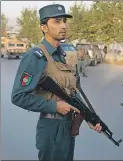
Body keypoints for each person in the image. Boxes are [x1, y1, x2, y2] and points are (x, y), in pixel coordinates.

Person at [11, 4, 102, 161]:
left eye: (65, 21)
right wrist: (55, 106)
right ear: (44, 27)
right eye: (57, 21)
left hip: (68, 126)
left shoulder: (61, 55)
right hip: (51, 128)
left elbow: (72, 93)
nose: (64, 26)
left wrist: (89, 117)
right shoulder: (36, 56)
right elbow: (18, 96)